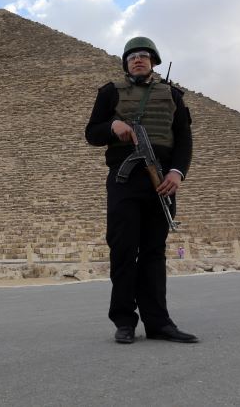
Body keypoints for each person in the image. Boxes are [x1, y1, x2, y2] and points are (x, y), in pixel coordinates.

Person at [85, 36, 197, 345]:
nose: (138, 59)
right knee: (123, 250)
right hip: (125, 181)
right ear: (125, 63)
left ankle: (158, 322)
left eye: (144, 56)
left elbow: (184, 138)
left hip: (162, 181)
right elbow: (92, 133)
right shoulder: (110, 93)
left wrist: (177, 172)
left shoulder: (172, 95)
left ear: (154, 62)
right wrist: (112, 127)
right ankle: (124, 321)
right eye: (132, 56)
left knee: (153, 252)